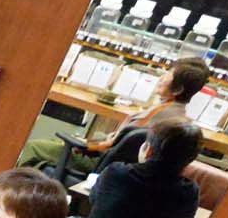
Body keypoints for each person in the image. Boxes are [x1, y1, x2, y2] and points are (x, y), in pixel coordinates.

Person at [19, 55, 210, 171]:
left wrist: (83, 145)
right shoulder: (179, 117)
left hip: (101, 162)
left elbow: (113, 145)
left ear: (178, 89)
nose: (161, 78)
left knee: (34, 147)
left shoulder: (157, 114)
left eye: (168, 75)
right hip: (116, 164)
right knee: (52, 146)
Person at [86, 117, 204, 218]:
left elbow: (93, 200)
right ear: (189, 161)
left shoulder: (115, 172)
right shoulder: (187, 192)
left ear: (148, 150)